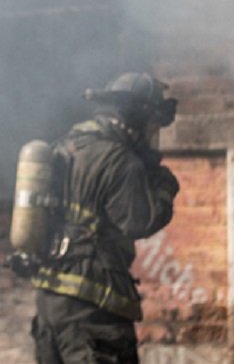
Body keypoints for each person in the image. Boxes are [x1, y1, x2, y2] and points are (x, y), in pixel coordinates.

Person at [30, 72, 180, 363]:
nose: (153, 136)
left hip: (51, 303)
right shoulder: (119, 160)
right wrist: (164, 187)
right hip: (92, 307)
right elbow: (140, 221)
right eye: (152, 127)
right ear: (138, 120)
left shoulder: (65, 146)